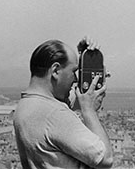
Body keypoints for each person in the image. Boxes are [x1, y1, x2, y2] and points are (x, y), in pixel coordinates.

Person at [13, 38, 113, 169]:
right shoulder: (54, 115)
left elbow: (59, 118)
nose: (76, 79)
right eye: (74, 71)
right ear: (55, 71)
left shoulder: (26, 105)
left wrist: (84, 59)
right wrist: (89, 111)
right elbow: (105, 158)